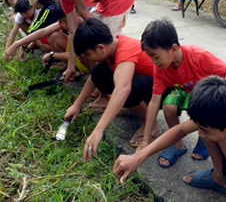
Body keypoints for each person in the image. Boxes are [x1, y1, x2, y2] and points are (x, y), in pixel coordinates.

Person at [136, 19, 226, 169]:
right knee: (169, 107)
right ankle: (177, 144)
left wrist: (219, 92)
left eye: (156, 56)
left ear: (173, 48)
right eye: (150, 57)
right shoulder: (160, 68)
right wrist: (145, 139)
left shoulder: (197, 55)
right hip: (183, 91)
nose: (153, 62)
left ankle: (205, 137)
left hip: (202, 92)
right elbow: (154, 101)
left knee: (202, 110)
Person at [64, 18, 162, 159]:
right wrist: (76, 105)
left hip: (164, 90)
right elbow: (94, 78)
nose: (88, 59)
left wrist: (98, 131)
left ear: (100, 48)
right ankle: (131, 108)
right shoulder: (112, 48)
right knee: (98, 72)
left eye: (88, 54)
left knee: (128, 89)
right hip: (148, 84)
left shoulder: (125, 52)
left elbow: (123, 89)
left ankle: (151, 125)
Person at [21, 0, 134, 82]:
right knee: (89, 42)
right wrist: (70, 67)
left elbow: (82, 9)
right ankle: (98, 80)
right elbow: (72, 31)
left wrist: (100, 33)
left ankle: (114, 81)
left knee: (105, 44)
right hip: (105, 1)